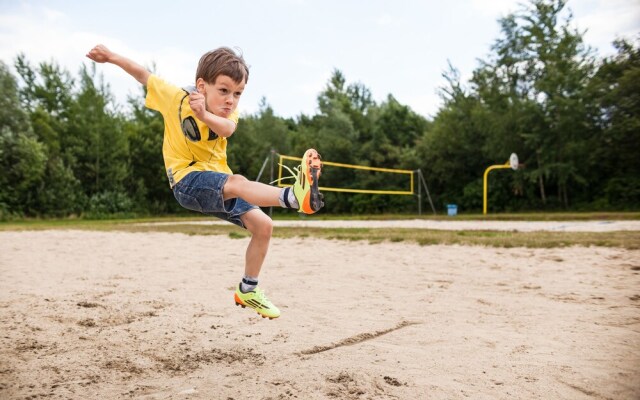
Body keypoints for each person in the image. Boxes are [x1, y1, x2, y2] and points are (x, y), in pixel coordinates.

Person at [86, 44, 323, 320]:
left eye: (237, 93)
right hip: (186, 182)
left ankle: (248, 289)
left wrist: (204, 115)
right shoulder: (175, 98)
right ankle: (294, 198)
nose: (230, 100)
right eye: (223, 91)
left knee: (264, 225)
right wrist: (110, 57)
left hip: (215, 184)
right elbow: (142, 74)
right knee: (236, 181)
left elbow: (228, 129)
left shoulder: (226, 113)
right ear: (202, 85)